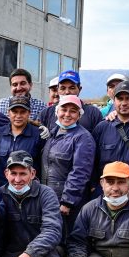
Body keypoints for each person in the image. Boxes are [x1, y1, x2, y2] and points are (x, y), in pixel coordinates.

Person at [40, 95, 95, 238]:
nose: (67, 114)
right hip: (49, 197)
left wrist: (67, 201)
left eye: (73, 111)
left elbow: (80, 172)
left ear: (79, 115)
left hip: (66, 202)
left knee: (66, 239)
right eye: (64, 109)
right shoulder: (53, 133)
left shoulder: (83, 138)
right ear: (57, 112)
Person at [0, 96, 45, 182]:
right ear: (8, 112)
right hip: (3, 188)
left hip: (29, 188)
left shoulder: (38, 135)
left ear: (29, 113)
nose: (18, 116)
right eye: (14, 112)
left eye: (23, 112)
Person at [38, 70, 103, 133]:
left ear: (79, 89)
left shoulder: (93, 113)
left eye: (72, 88)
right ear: (58, 90)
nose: (67, 92)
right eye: (63, 88)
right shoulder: (46, 113)